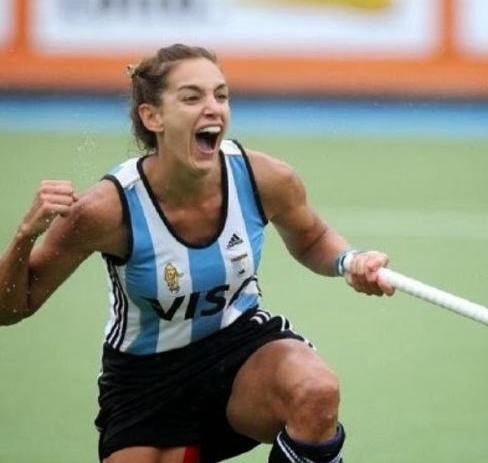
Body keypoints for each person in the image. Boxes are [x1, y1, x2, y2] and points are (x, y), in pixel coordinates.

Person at [0, 43, 394, 463]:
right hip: (145, 382)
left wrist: (348, 261)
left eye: (220, 95)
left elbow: (312, 238)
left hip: (241, 349)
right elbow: (12, 307)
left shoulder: (264, 178)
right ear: (153, 117)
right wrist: (25, 235)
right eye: (192, 97)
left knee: (315, 391)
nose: (214, 109)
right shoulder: (106, 210)